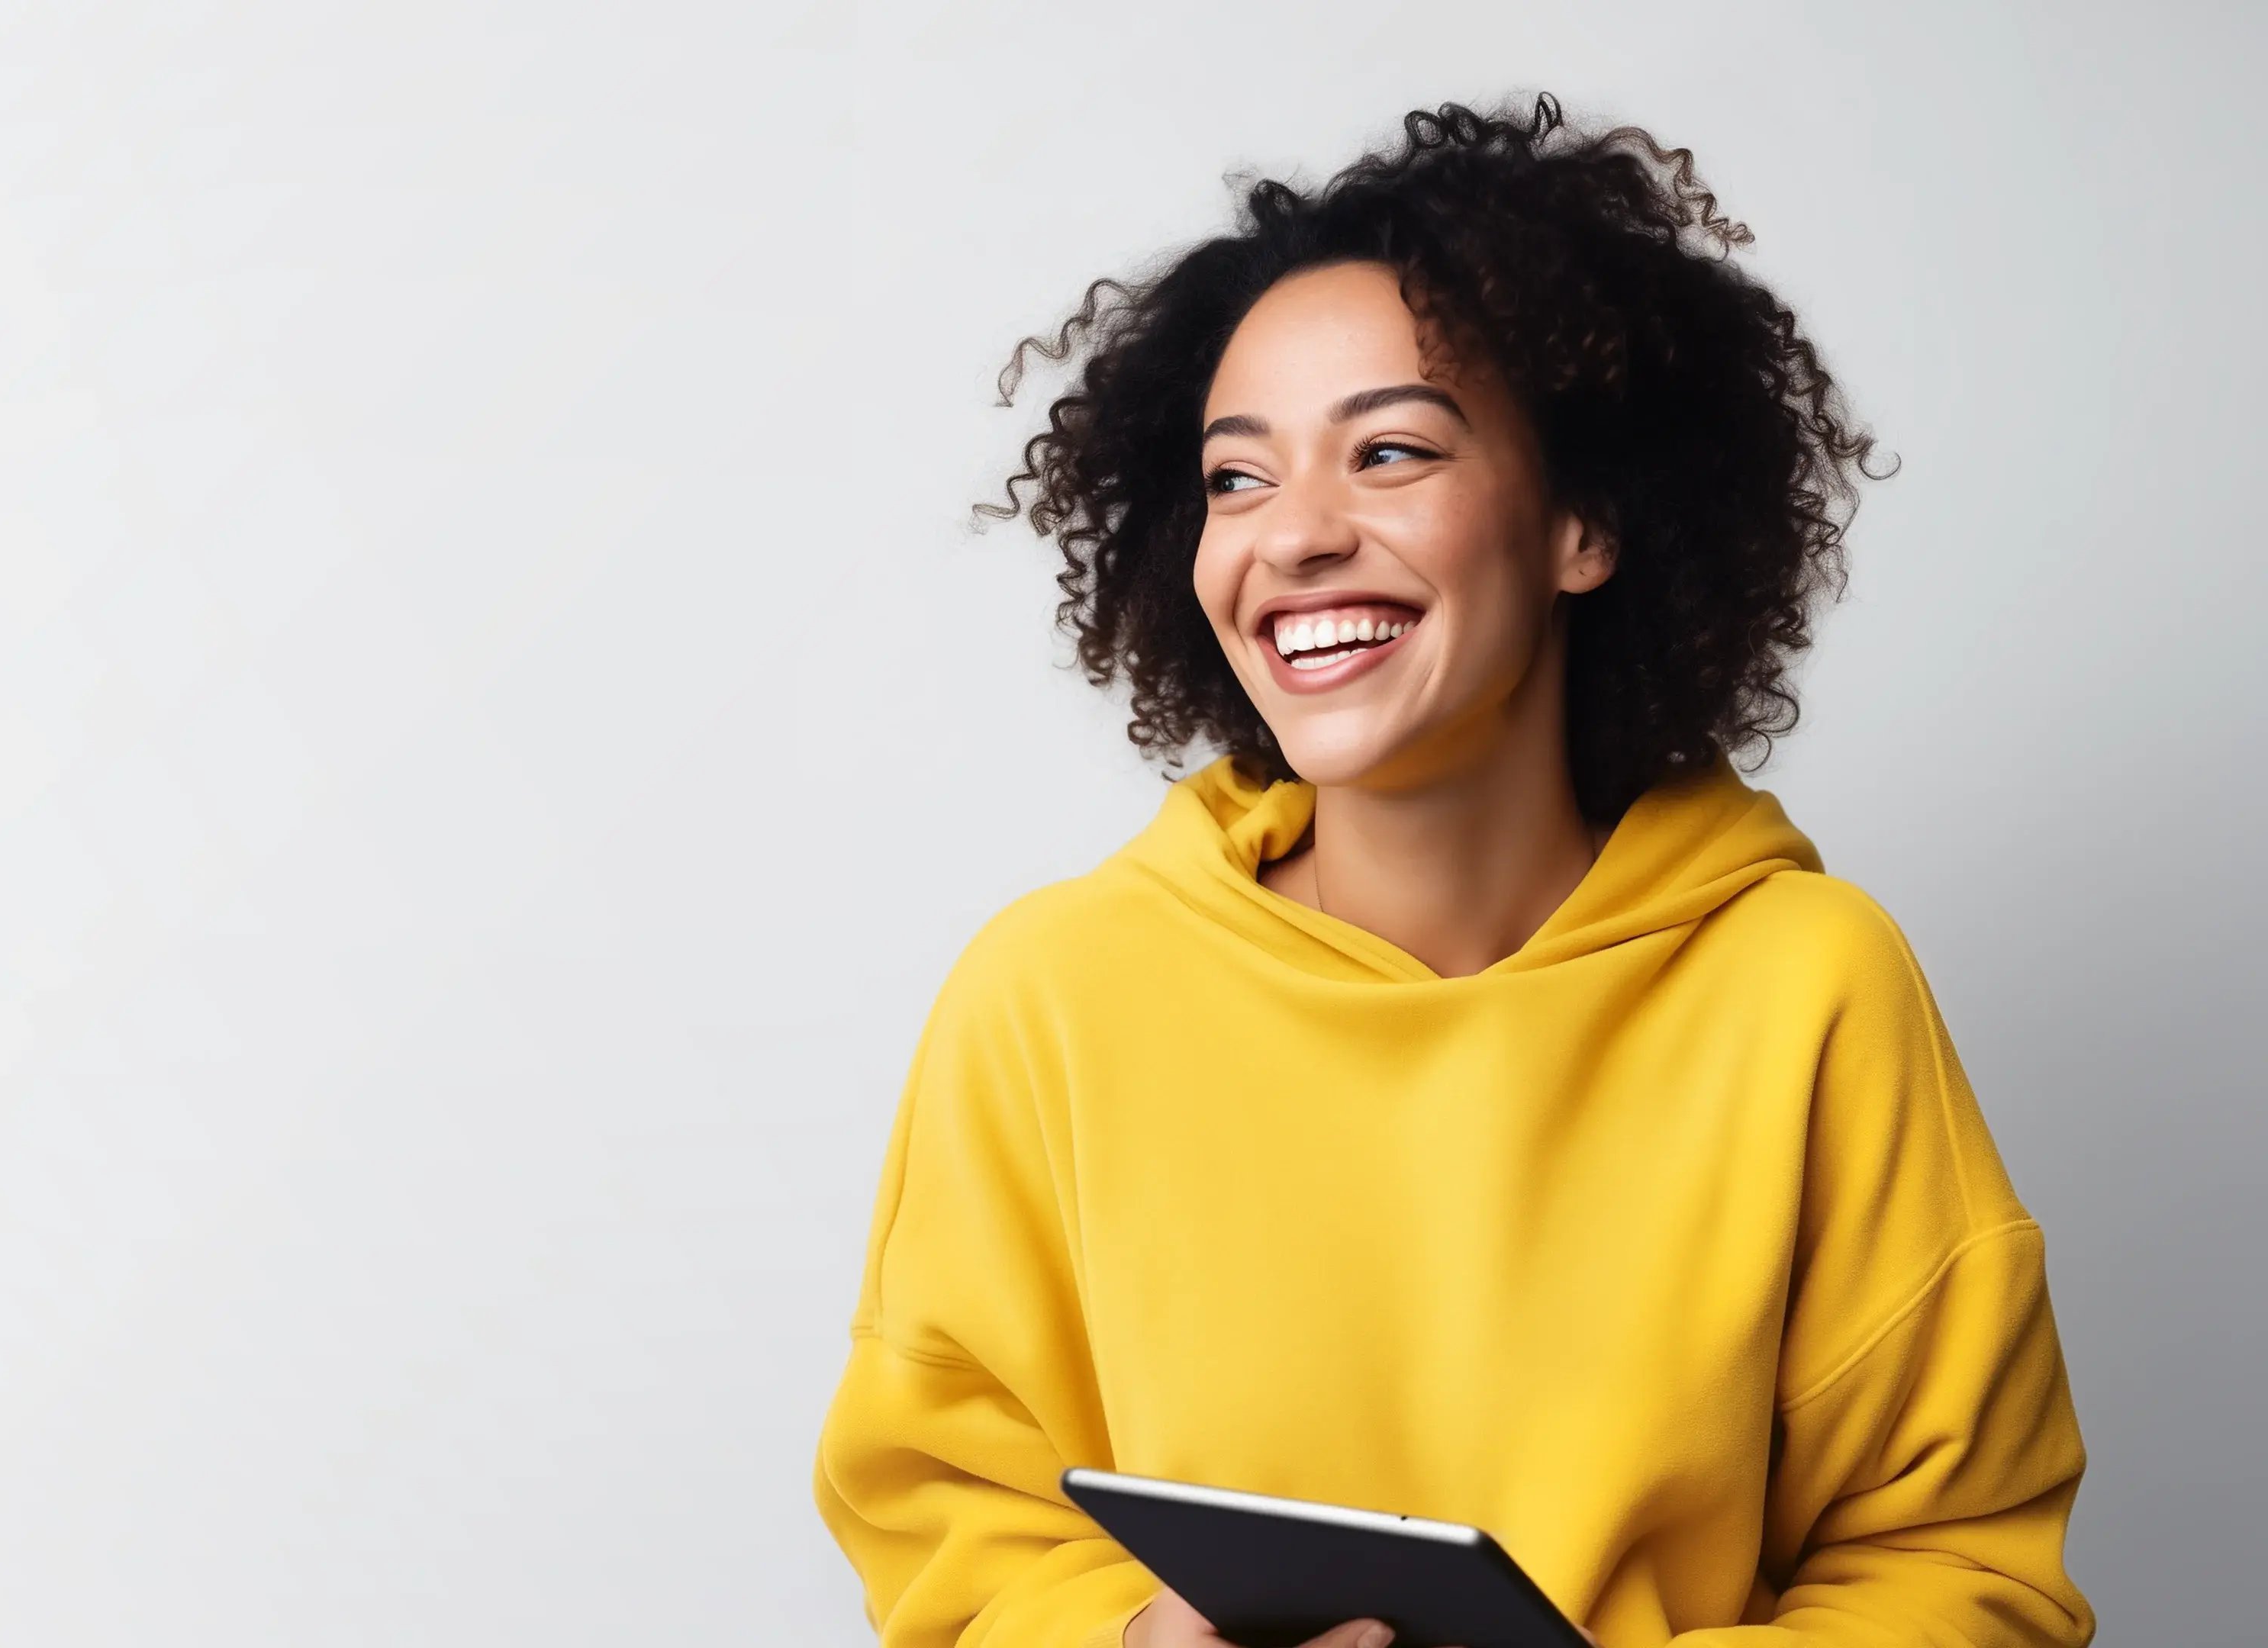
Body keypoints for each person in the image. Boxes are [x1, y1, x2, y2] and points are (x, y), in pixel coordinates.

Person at [807, 94, 2094, 1648]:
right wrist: (1127, 1641)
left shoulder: (1809, 987)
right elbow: (943, 1517)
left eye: (1392, 451)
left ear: (1584, 525)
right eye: (1238, 479)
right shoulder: (1051, 1000)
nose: (1294, 537)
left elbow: (1963, 1572)